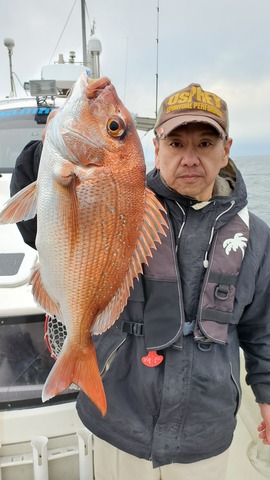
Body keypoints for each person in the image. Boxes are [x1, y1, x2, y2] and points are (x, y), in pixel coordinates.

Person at [10, 82, 270, 479]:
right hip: (118, 420)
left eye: (204, 143)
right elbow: (40, 231)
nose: (189, 158)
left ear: (226, 151)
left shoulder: (255, 237)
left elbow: (261, 327)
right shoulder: (126, 200)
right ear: (156, 147)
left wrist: (265, 394)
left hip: (206, 431)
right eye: (176, 143)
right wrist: (41, 158)